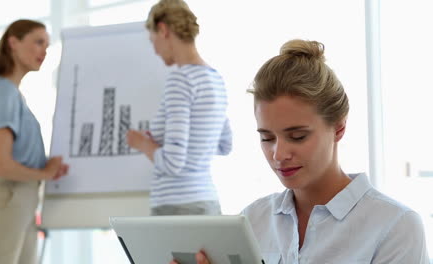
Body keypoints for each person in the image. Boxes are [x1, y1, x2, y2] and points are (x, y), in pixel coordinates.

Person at [170, 39, 430, 263]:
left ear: (338, 127)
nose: (278, 154)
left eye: (297, 136)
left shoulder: (395, 227)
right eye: (267, 138)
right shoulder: (251, 221)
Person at [0, 19, 68, 264]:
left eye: (47, 45)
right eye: (38, 42)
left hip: (19, 198)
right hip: (8, 195)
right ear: (13, 43)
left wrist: (46, 167)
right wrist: (45, 172)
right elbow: (1, 164)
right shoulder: (3, 92)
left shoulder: (10, 94)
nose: (44, 51)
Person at [126, 0, 232, 216]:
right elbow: (225, 145)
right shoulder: (216, 79)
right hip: (207, 202)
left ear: (163, 30)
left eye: (152, 40)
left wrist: (143, 144)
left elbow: (173, 163)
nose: (154, 50)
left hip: (176, 207)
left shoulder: (180, 79)